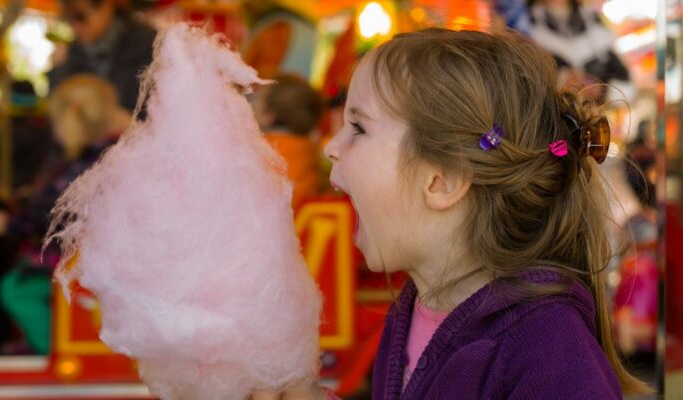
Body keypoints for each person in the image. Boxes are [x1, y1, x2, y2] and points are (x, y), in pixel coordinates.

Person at [252, 28, 651, 399]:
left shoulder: (549, 353)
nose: (330, 147)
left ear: (442, 180)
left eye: (358, 127)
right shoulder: (410, 313)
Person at [0, 74, 130, 354]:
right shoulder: (108, 153)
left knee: (16, 288)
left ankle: (50, 347)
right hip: (90, 254)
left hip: (78, 259)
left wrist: (9, 222)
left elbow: (51, 213)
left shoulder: (85, 164)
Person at [48, 0, 156, 113]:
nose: (75, 27)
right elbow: (59, 111)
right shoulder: (71, 55)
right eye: (68, 20)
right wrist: (58, 70)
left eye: (80, 17)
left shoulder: (148, 44)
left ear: (107, 5)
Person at [252, 74, 323, 208]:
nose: (252, 105)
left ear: (269, 116)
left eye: (258, 99)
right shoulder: (309, 149)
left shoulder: (262, 151)